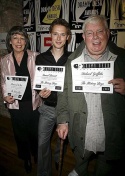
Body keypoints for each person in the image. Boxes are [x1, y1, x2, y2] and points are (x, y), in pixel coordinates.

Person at [56, 15, 125, 176]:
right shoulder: (72, 61)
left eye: (100, 31)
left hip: (111, 132)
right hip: (81, 128)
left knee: (106, 165)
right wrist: (62, 121)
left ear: (108, 33)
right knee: (81, 157)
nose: (95, 37)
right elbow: (63, 94)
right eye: (89, 33)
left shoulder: (122, 59)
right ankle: (79, 171)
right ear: (83, 36)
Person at [0, 26, 41, 173]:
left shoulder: (36, 56)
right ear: (10, 41)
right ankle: (26, 158)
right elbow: (4, 81)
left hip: (33, 103)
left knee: (35, 133)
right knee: (20, 134)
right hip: (15, 104)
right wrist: (5, 96)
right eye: (15, 38)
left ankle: (36, 154)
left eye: (22, 38)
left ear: (26, 41)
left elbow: (43, 77)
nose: (19, 41)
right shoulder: (4, 60)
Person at [35, 18, 71, 176]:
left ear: (68, 37)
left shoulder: (72, 59)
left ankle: (58, 158)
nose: (58, 38)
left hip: (66, 110)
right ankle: (44, 173)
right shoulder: (41, 58)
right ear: (50, 35)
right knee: (42, 143)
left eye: (62, 35)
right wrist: (40, 92)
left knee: (61, 141)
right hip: (47, 108)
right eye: (55, 34)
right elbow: (37, 84)